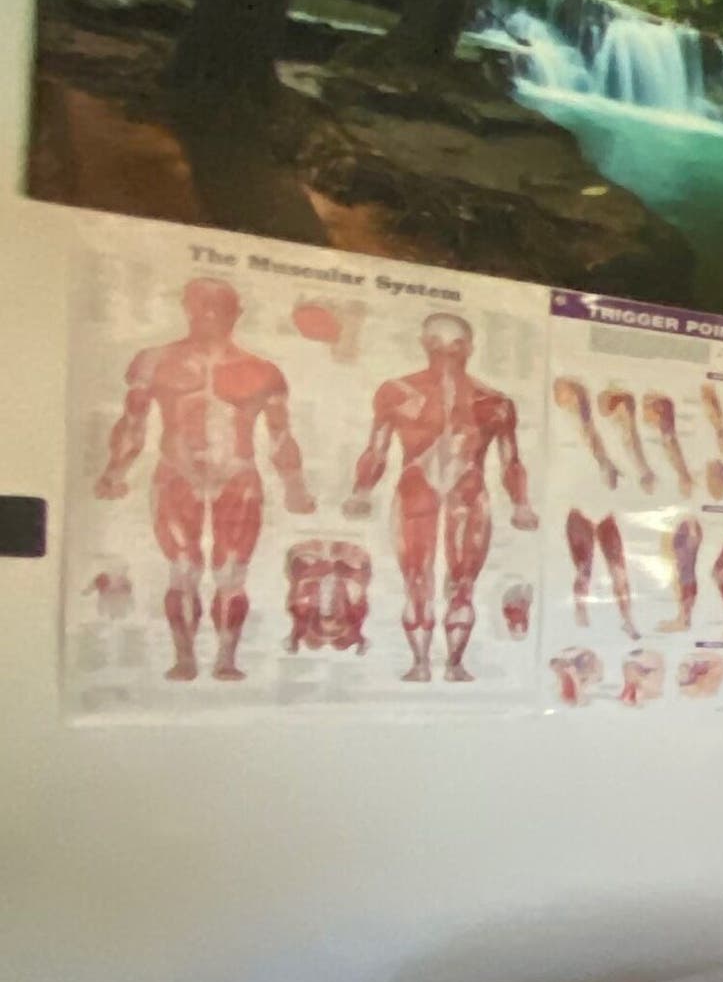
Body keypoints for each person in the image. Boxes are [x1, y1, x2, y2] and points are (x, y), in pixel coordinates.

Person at [94, 276, 313, 683]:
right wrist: (114, 472)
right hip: (177, 472)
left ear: (237, 313)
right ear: (187, 307)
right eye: (201, 305)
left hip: (238, 476)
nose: (209, 314)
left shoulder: (263, 371)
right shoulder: (154, 360)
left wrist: (295, 487)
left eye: (219, 306)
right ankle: (185, 658)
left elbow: (280, 434)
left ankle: (226, 658)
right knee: (184, 568)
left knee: (231, 572)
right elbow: (133, 421)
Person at [345, 313, 535, 682]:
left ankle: (454, 664)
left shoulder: (495, 402)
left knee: (463, 582)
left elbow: (510, 460)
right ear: (424, 344)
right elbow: (377, 448)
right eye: (436, 341)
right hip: (418, 489)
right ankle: (419, 663)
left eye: (455, 344)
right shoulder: (397, 392)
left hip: (468, 491)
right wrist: (361, 492)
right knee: (417, 579)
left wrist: (521, 505)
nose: (446, 351)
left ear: (469, 348)